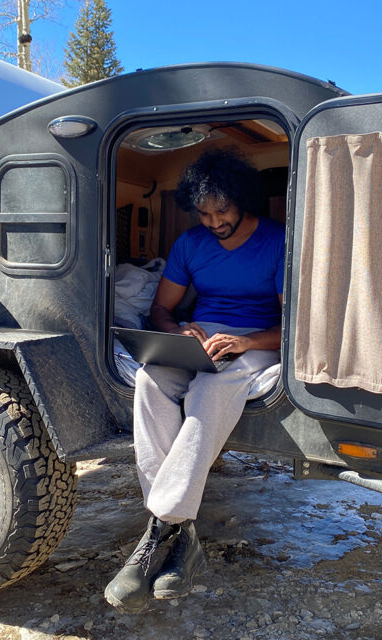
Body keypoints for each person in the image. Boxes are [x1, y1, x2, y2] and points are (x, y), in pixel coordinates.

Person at [105, 148, 285, 613]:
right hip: (202, 340)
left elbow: (297, 326)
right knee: (150, 380)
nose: (212, 221)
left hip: (258, 341)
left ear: (242, 200)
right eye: (203, 213)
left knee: (212, 388)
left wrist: (246, 343)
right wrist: (179, 331)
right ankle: (181, 535)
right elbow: (161, 310)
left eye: (221, 210)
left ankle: (159, 529)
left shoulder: (277, 242)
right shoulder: (190, 244)